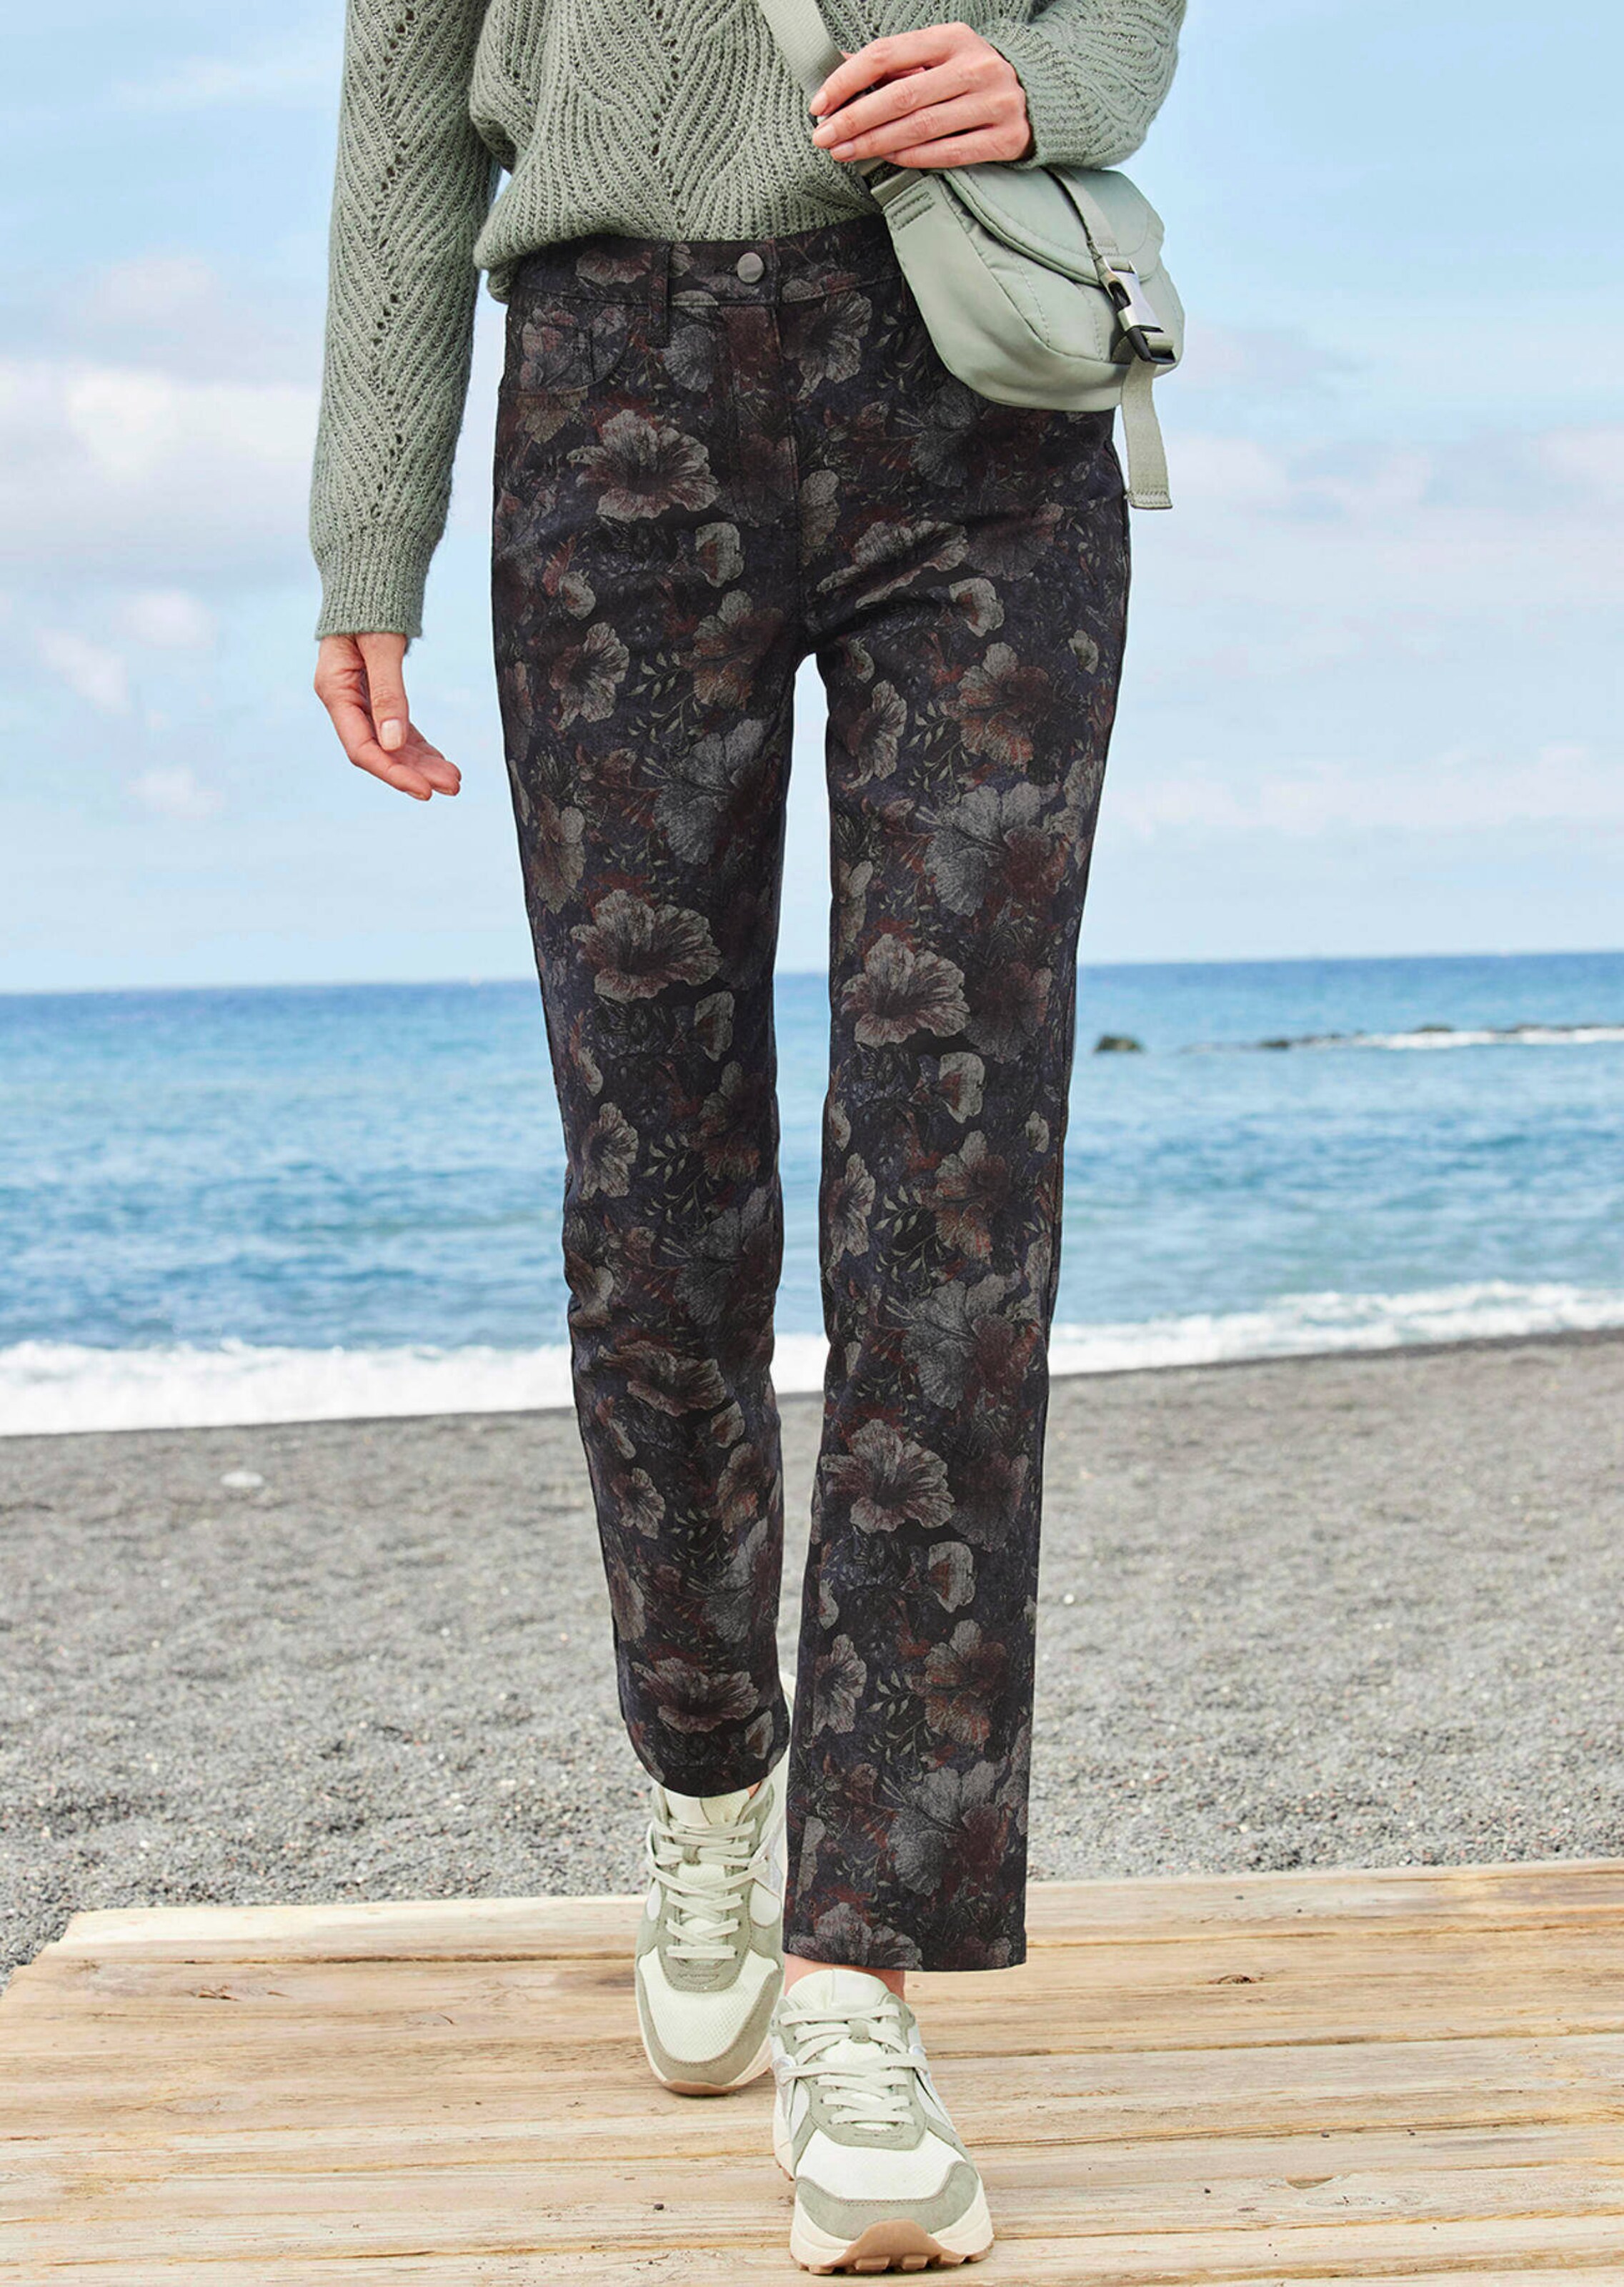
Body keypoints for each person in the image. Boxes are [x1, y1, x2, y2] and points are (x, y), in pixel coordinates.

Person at [310, 0, 1183, 2268]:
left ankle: (856, 1974)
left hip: (971, 375)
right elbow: (406, 113)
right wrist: (365, 534)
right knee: (656, 1189)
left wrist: (1064, 84)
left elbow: (1121, 13)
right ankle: (709, 1767)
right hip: (611, 399)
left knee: (952, 1207)